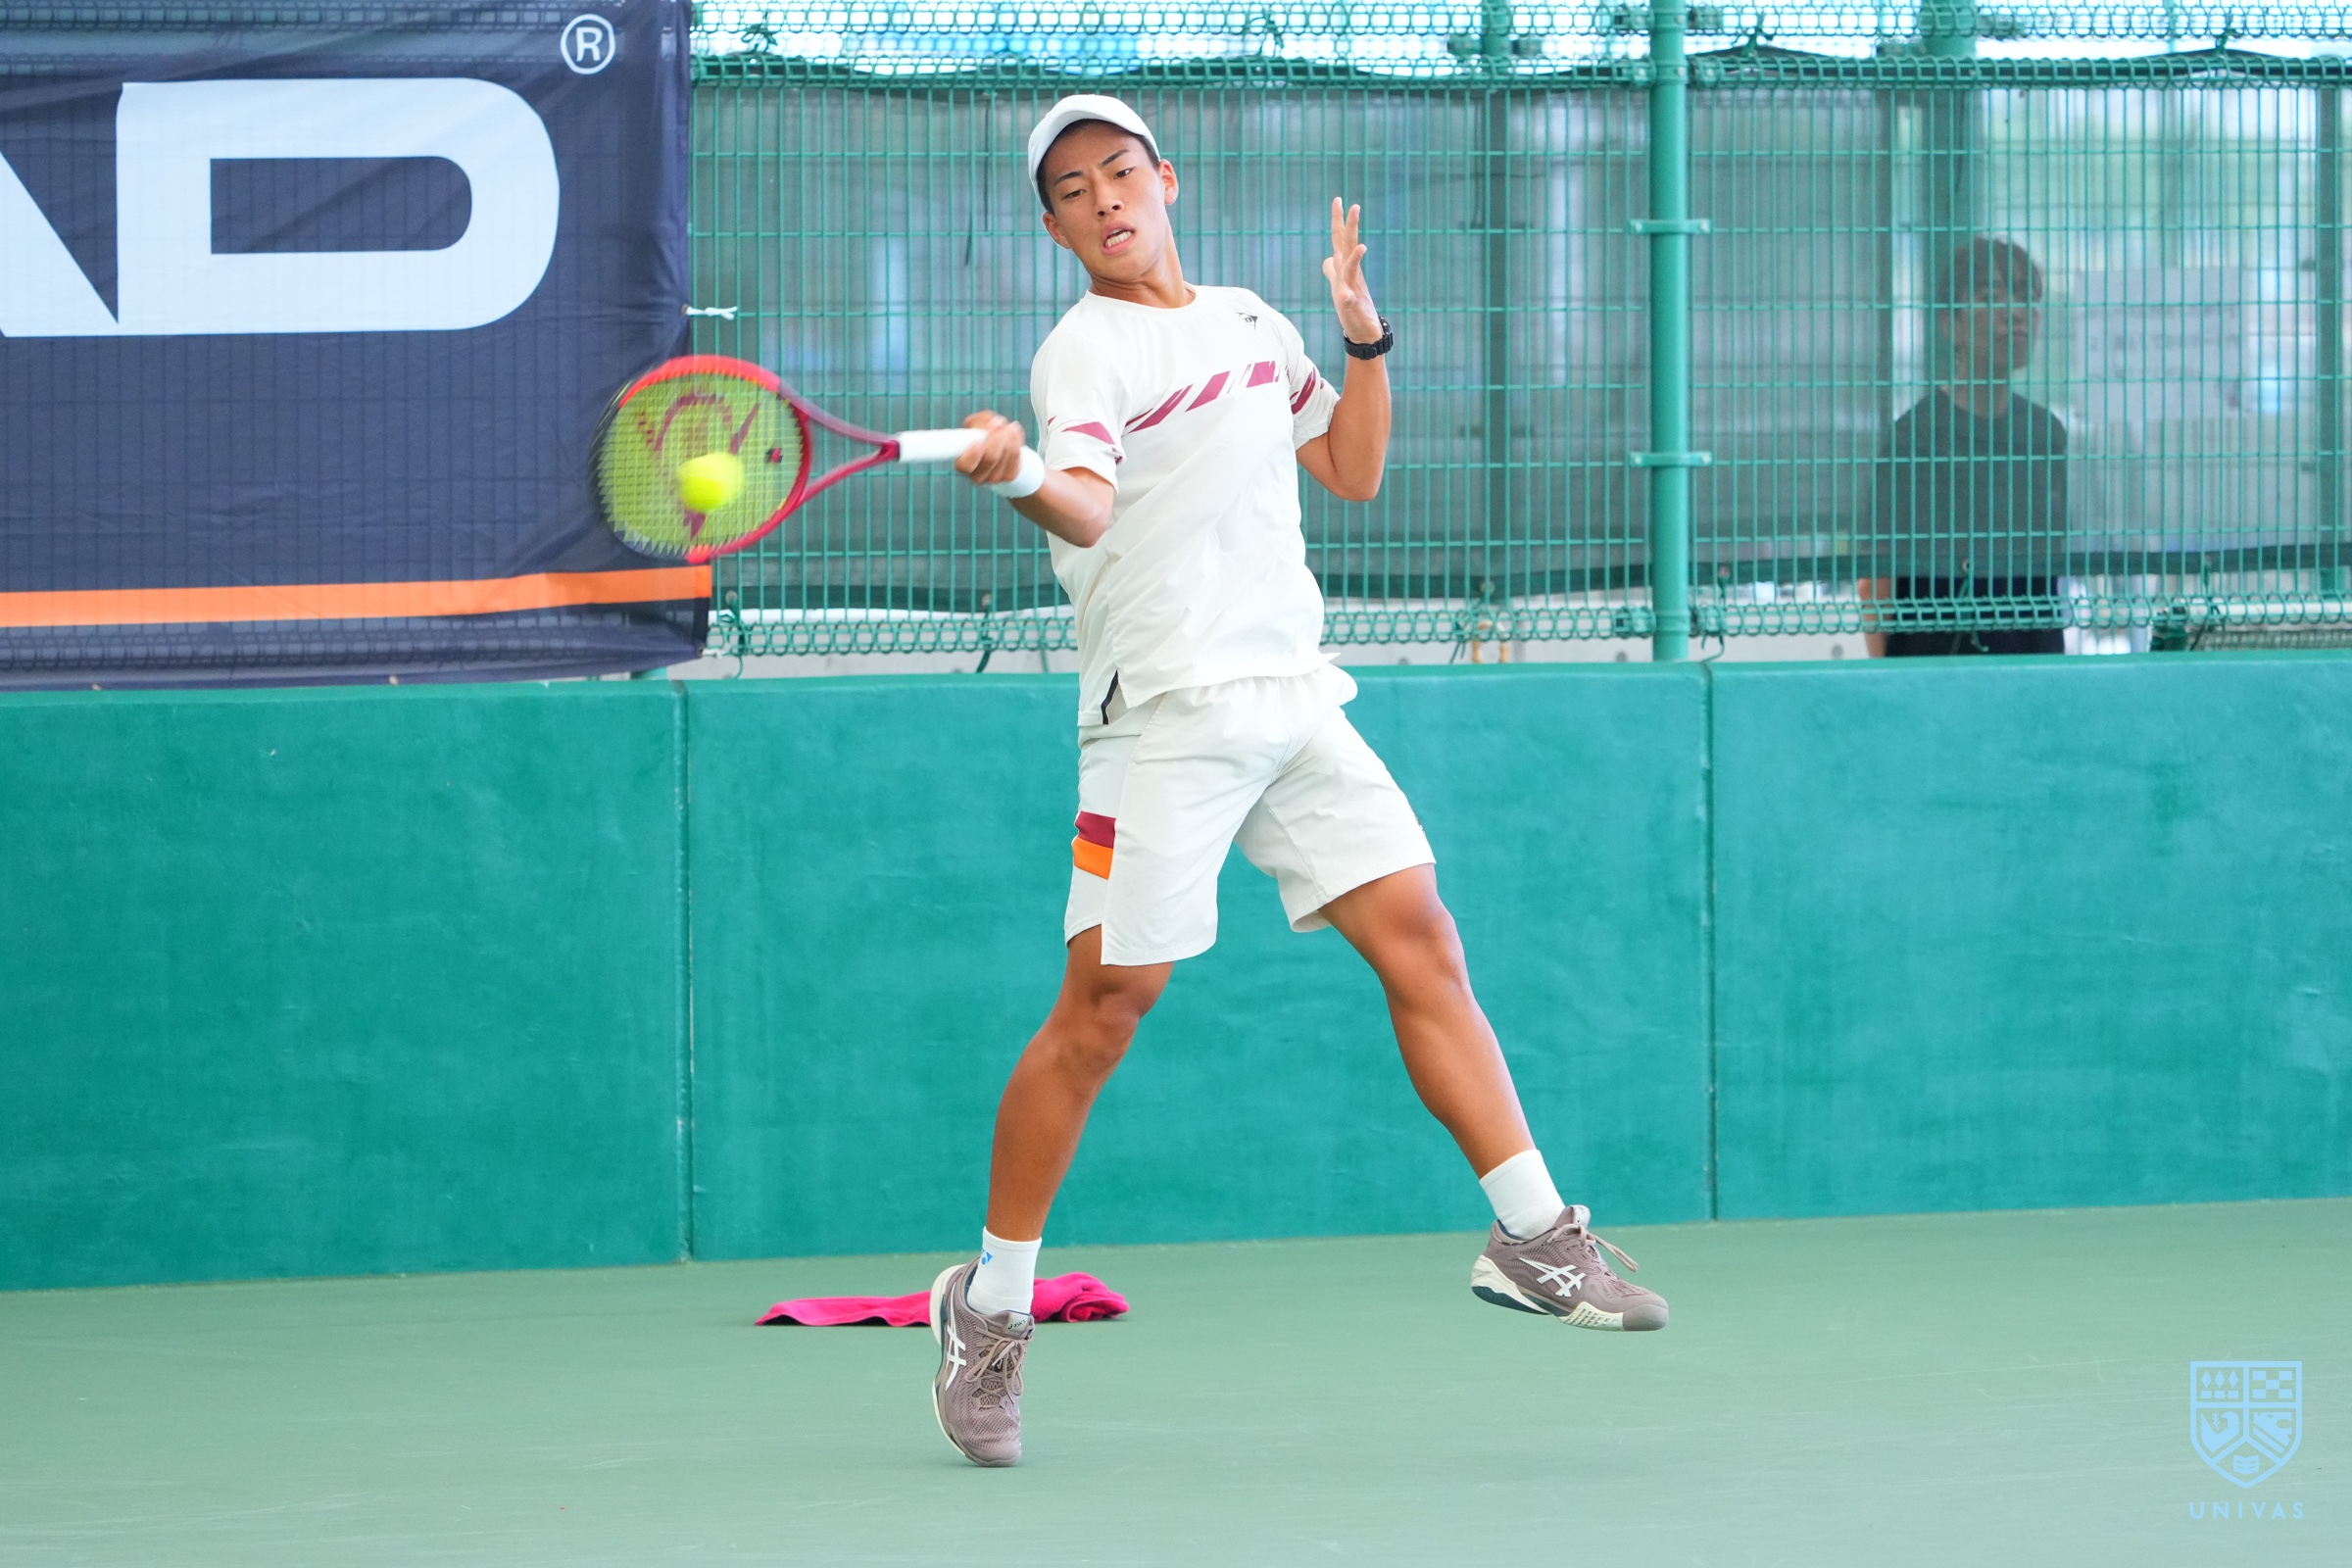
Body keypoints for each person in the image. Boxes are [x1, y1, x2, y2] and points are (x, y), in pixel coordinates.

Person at [923, 94, 1668, 1468]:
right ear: (1055, 229)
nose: (1105, 199)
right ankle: (991, 1305)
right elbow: (1085, 502)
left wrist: (1362, 334)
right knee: (1103, 1013)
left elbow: (1353, 467)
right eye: (1074, 191)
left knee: (1422, 937)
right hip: (1163, 716)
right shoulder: (1084, 350)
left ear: (1168, 180)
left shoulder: (1256, 324)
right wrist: (1016, 470)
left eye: (1121, 172)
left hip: (1293, 697)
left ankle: (1532, 1235)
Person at [1863, 236, 2070, 657]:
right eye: (1990, 297)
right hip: (1936, 671)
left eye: (2026, 297)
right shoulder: (1914, 439)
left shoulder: (2045, 434)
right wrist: (1891, 680)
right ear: (1950, 323)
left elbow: (2051, 566)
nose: (2016, 313)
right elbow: (1876, 582)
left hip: (2032, 670)